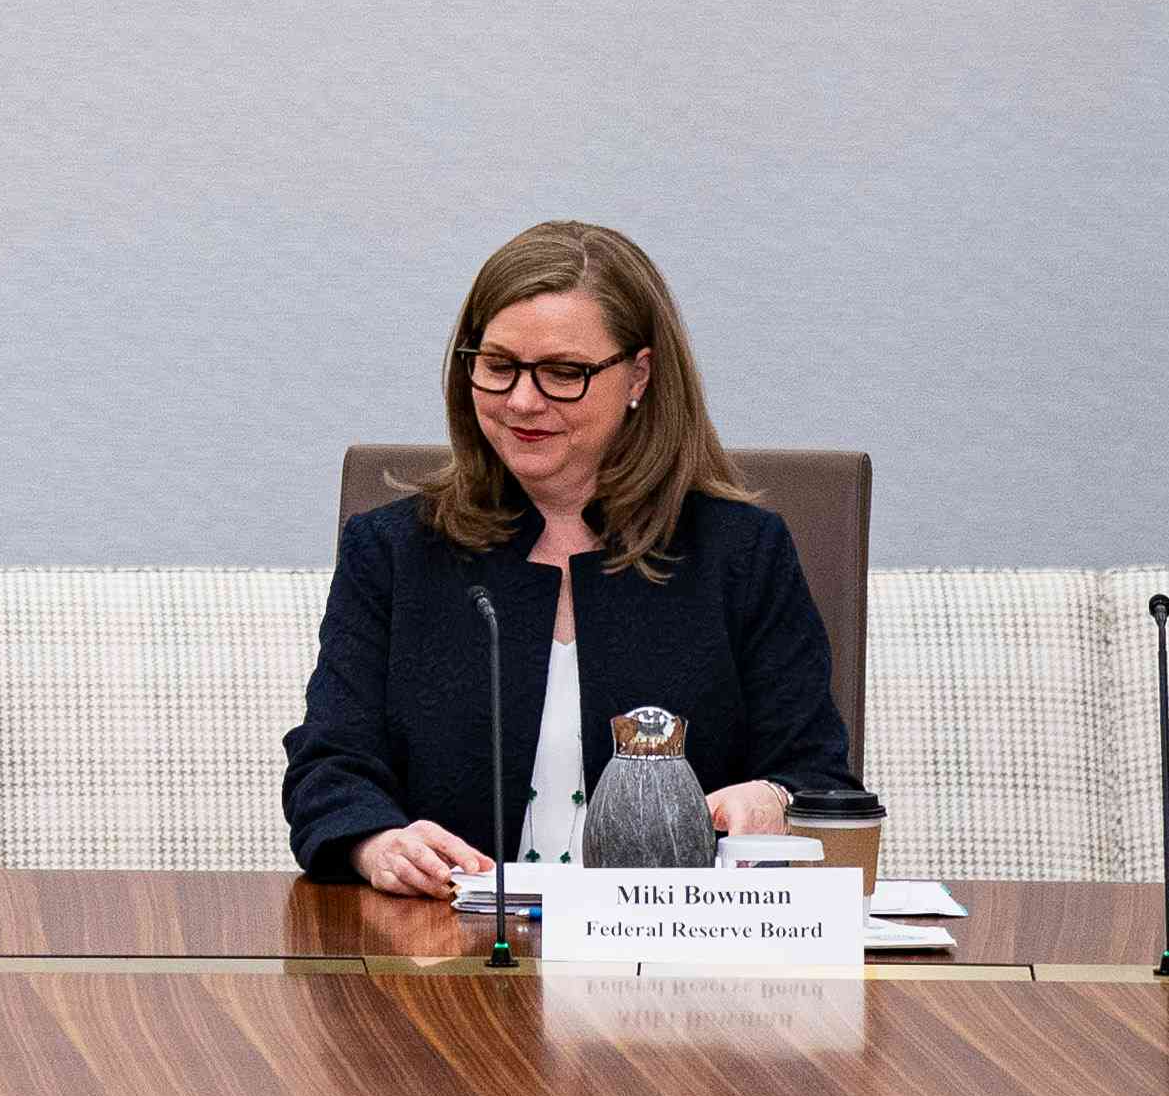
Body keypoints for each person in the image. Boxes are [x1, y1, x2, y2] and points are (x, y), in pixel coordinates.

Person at [283, 219, 862, 893]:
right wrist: (377, 842)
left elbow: (817, 776)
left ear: (638, 375)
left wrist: (775, 800)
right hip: (444, 956)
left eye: (564, 373)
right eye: (498, 366)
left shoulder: (741, 554)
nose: (522, 400)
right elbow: (331, 765)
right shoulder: (392, 551)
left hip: (672, 963)